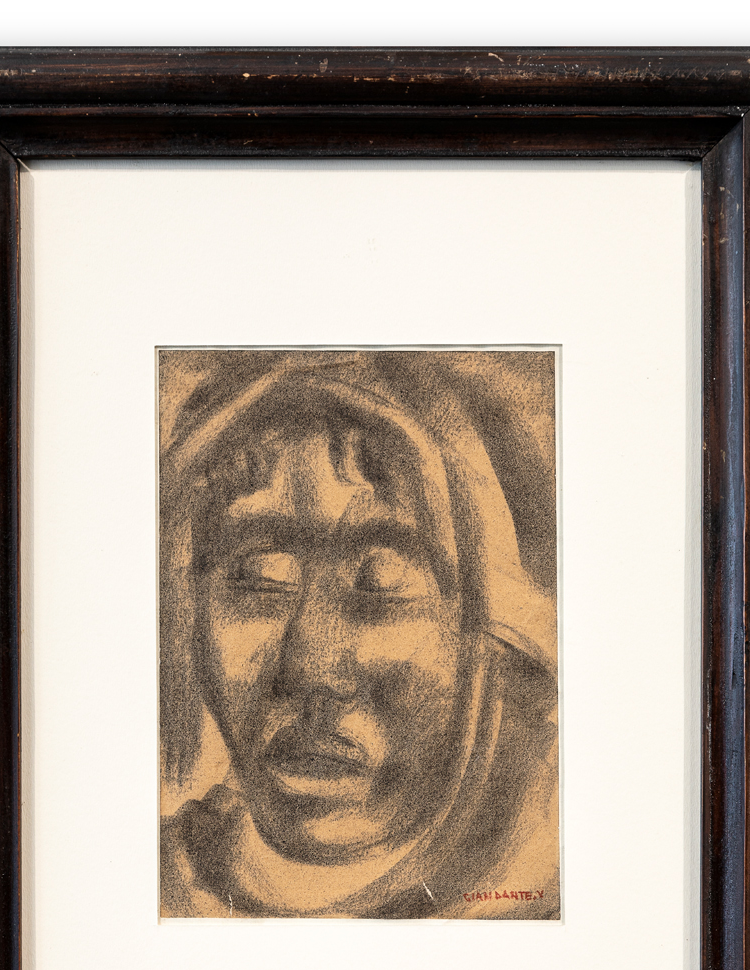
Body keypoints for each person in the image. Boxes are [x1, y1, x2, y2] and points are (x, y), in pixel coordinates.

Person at [158, 350, 558, 919]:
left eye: (383, 581)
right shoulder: (145, 885)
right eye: (259, 576)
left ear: (490, 627)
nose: (310, 668)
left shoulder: (558, 885)